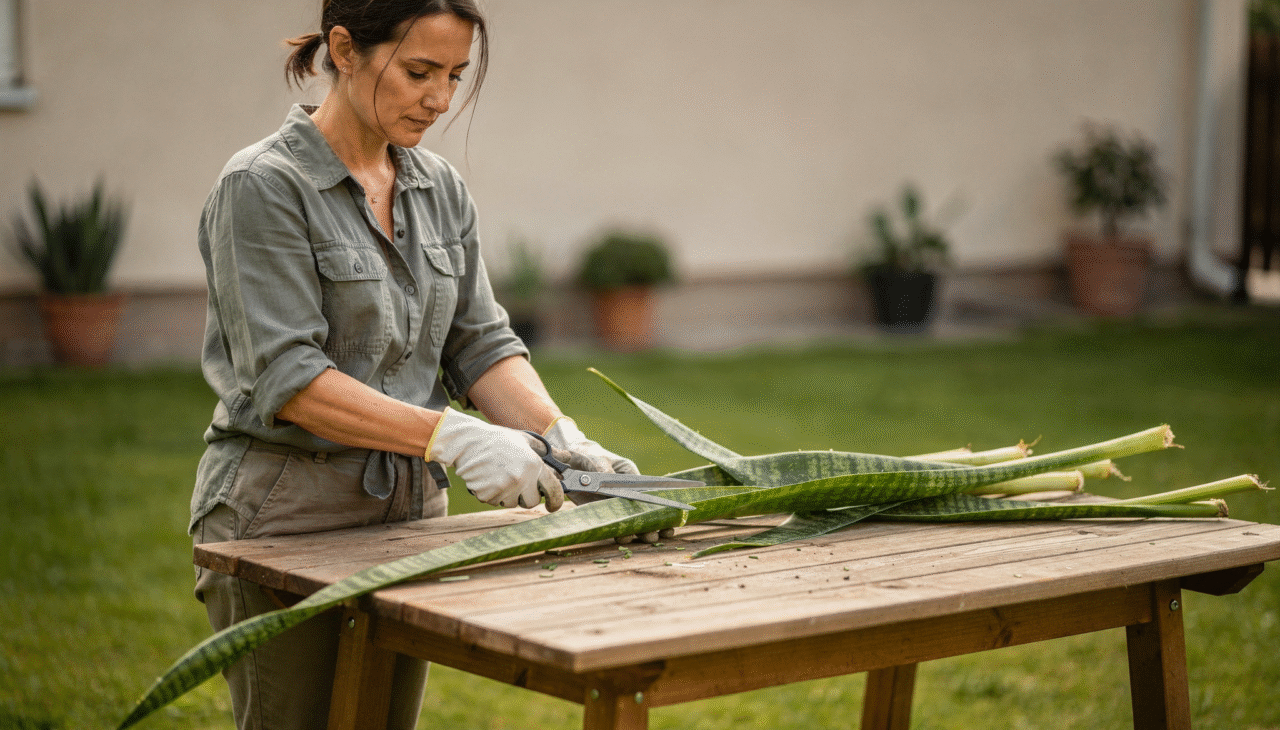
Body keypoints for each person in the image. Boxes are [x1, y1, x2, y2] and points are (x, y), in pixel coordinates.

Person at [188, 2, 636, 728]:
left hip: (407, 516)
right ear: (343, 48)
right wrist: (454, 439)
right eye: (419, 71)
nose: (440, 98)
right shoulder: (263, 187)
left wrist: (563, 437)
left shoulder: (439, 189)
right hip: (284, 517)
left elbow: (480, 343)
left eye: (455, 75)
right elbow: (288, 378)